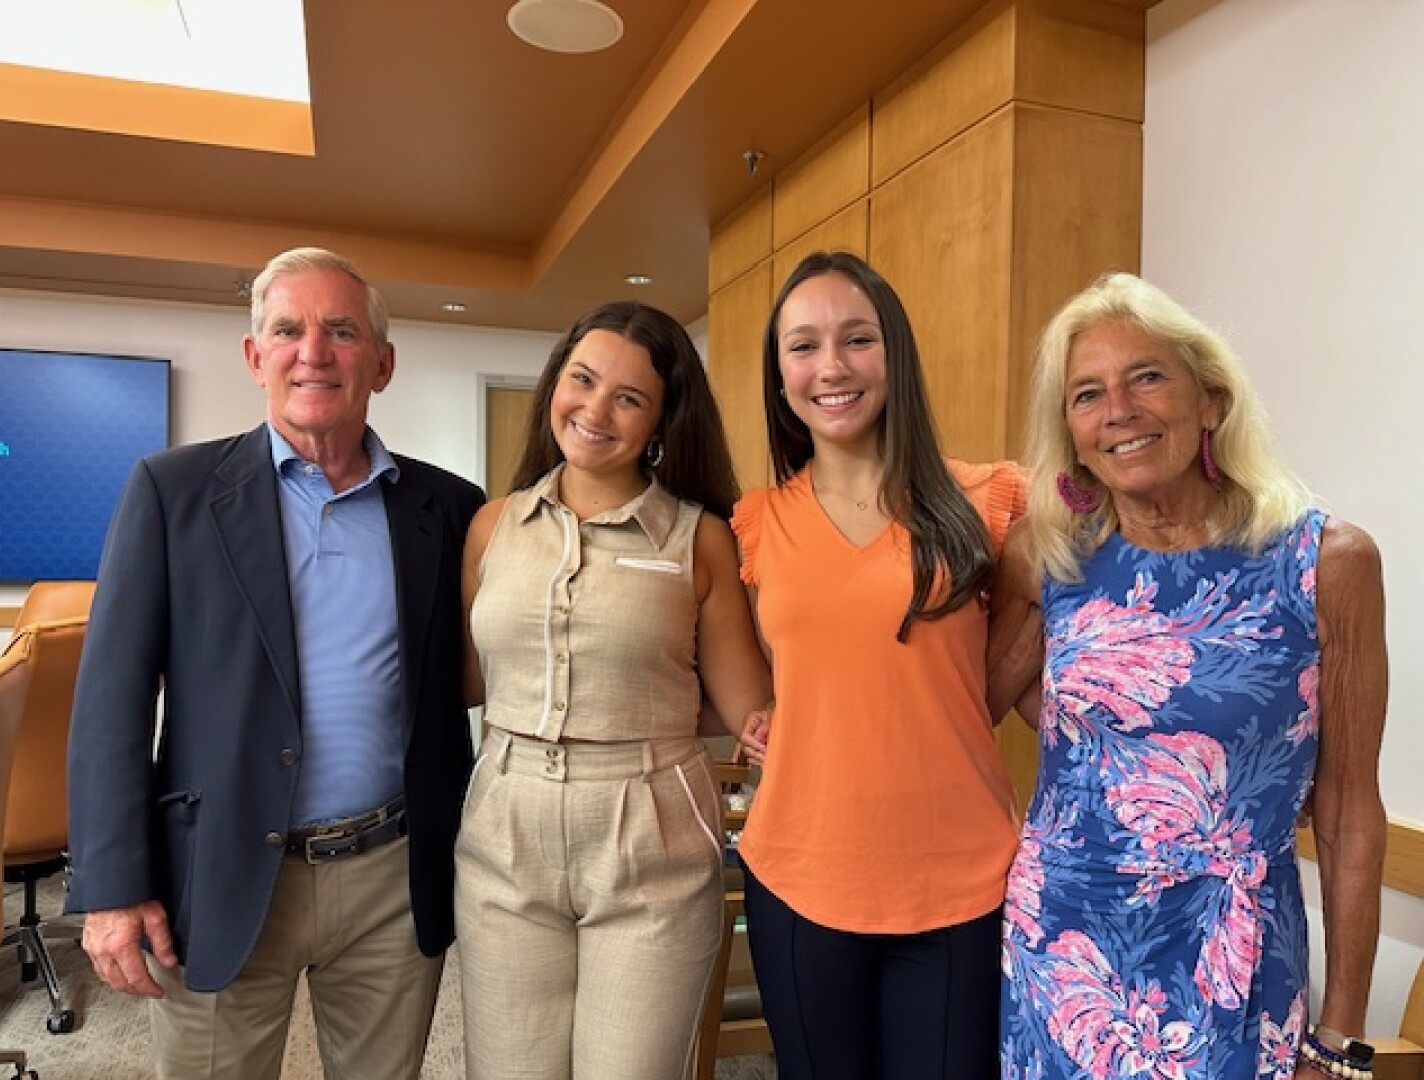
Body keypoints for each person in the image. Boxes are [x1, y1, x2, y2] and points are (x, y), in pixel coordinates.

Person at [66, 247, 485, 1080]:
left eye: (341, 331)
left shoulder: (452, 507)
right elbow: (110, 703)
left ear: (384, 362)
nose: (314, 352)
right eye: (288, 330)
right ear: (255, 357)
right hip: (220, 869)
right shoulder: (171, 491)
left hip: (393, 876)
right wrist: (113, 886)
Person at [989, 272, 1388, 1079]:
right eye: (1088, 394)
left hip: (1235, 953)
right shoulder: (1051, 554)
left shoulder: (1323, 562)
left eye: (1147, 377)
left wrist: (1339, 1038)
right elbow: (971, 701)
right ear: (1070, 430)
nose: (1120, 412)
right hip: (1064, 950)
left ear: (1210, 400)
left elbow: (1348, 809)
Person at [452, 300, 773, 1079]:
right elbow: (466, 680)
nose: (595, 410)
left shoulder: (698, 537)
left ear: (662, 420)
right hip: (505, 825)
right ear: (554, 384)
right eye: (582, 380)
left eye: (629, 398)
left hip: (652, 834)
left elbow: (745, 706)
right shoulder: (493, 525)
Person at [732, 251, 1027, 1079]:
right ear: (778, 372)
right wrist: (772, 716)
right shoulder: (754, 524)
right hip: (799, 876)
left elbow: (1069, 617)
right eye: (803, 346)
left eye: (857, 339)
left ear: (894, 352)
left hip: (962, 882)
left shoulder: (991, 502)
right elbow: (773, 677)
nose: (830, 367)